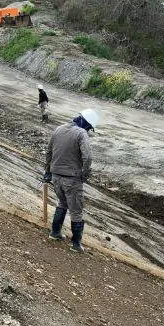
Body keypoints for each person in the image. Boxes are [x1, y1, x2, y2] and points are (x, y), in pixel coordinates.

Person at [43, 108, 100, 252]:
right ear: (86, 123)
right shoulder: (81, 133)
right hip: (72, 179)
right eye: (89, 127)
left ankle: (55, 233)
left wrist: (48, 172)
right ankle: (76, 244)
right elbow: (88, 158)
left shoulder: (58, 129)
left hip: (56, 176)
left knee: (62, 203)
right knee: (76, 211)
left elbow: (49, 152)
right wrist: (84, 175)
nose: (88, 130)